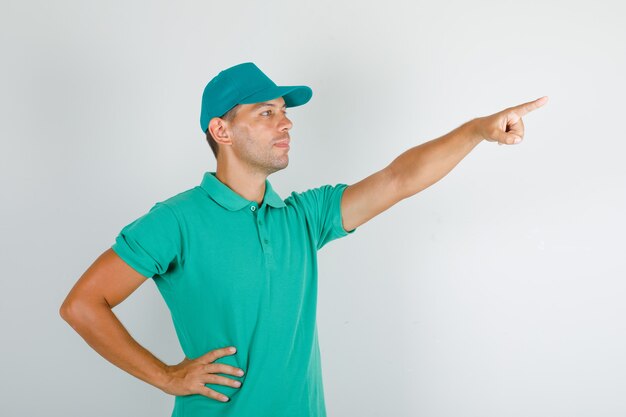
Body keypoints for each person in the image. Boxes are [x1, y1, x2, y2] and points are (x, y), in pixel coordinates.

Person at [59, 62, 548, 416]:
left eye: (285, 112)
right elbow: (83, 304)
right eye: (266, 113)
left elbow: (399, 179)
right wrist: (167, 375)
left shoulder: (302, 217)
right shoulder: (176, 221)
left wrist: (476, 131)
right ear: (221, 130)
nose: (286, 122)